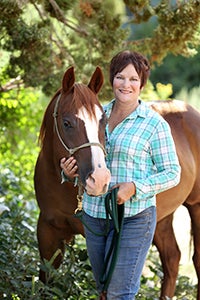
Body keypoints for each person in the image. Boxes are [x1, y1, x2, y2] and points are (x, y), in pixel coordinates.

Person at [60, 50, 181, 299]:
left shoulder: (154, 124)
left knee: (120, 293)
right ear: (112, 80)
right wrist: (70, 173)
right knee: (103, 291)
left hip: (134, 218)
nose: (126, 84)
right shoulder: (95, 114)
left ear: (141, 83)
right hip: (94, 215)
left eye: (133, 79)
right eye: (120, 77)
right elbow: (89, 160)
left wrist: (135, 187)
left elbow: (173, 173)